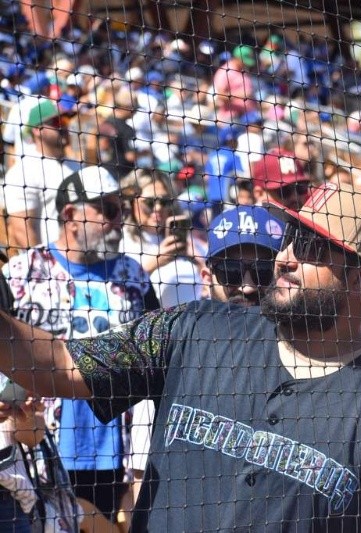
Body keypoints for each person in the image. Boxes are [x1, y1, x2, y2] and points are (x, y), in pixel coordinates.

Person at [0, 183, 361, 531]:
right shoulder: (193, 329)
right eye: (289, 239)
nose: (284, 258)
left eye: (309, 248)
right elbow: (55, 363)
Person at [2, 166, 158, 525]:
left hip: (116, 449)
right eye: (107, 209)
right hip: (37, 447)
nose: (119, 219)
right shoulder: (22, 272)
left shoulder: (132, 275)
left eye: (121, 208)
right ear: (70, 215)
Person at [128, 204, 285, 510]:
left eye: (264, 271)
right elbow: (139, 479)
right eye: (230, 272)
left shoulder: (309, 358)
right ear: (206, 276)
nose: (248, 286)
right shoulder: (170, 356)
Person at [118, 169, 203, 308]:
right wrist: (156, 261)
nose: (157, 208)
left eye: (164, 202)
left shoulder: (181, 237)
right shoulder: (122, 242)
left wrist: (199, 262)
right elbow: (119, 289)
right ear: (130, 202)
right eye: (149, 202)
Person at [3, 98, 79, 250]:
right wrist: (45, 268)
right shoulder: (22, 172)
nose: (63, 126)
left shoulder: (77, 166)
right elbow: (22, 231)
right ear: (37, 130)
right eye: (56, 122)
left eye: (64, 121)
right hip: (55, 265)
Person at [200, 204, 285, 307]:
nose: (247, 288)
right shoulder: (188, 321)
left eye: (263, 271)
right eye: (230, 271)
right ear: (208, 279)